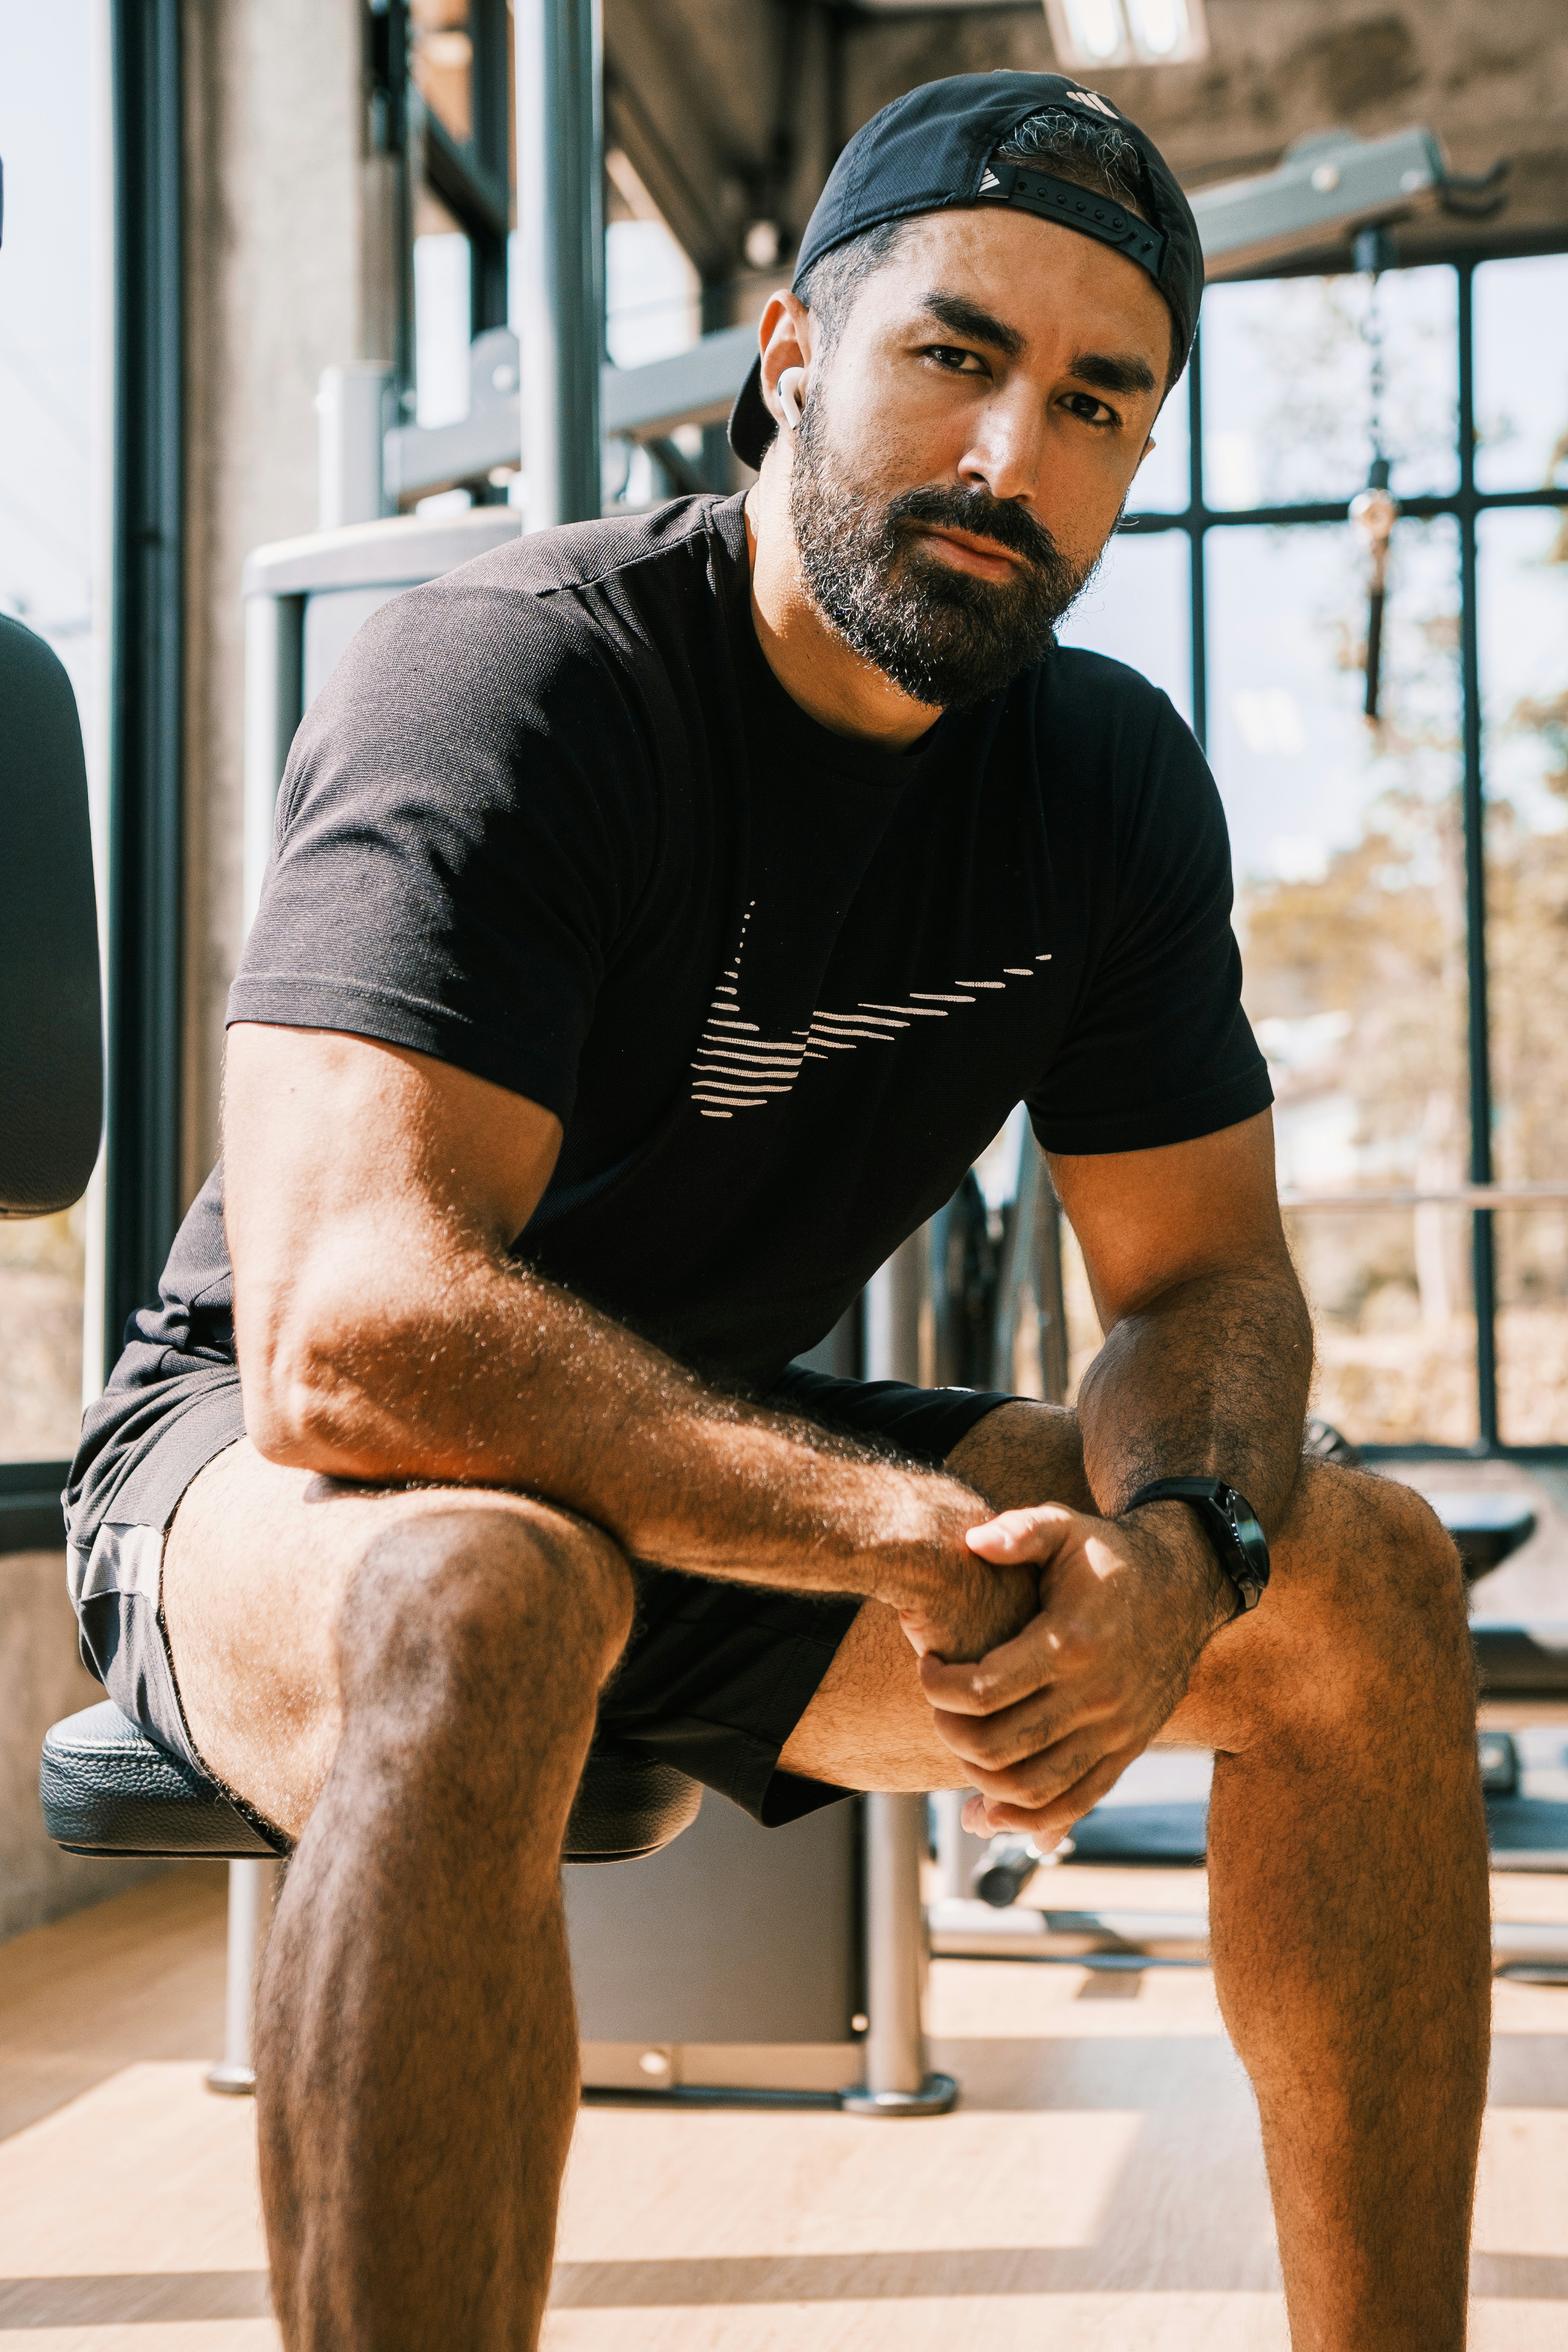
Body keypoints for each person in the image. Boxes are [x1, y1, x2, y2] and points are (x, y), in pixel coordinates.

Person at [67, 70, 1487, 2352]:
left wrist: (1181, 1556)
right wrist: (878, 1530)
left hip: (706, 1450)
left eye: (1097, 402)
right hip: (269, 1481)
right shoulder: (524, 675)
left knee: (1363, 1575)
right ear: (792, 349)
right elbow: (342, 1337)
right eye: (957, 354)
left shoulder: (1106, 787)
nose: (1015, 455)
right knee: (483, 1583)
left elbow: (1209, 1278)